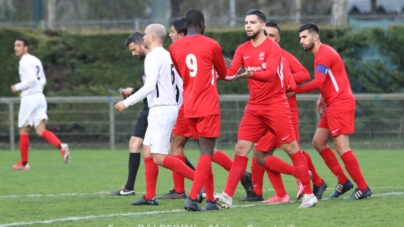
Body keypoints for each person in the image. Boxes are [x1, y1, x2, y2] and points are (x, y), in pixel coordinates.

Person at [214, 9, 317, 209]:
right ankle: (227, 195)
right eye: (246, 22)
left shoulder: (272, 48)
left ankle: (310, 195)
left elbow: (269, 74)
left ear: (262, 26)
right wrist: (215, 73)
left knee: (291, 148)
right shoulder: (242, 49)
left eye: (252, 22)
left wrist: (247, 73)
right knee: (241, 149)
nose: (248, 26)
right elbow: (231, 73)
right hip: (254, 106)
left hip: (275, 104)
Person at [159, 17, 253, 201]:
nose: (170, 34)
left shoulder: (177, 50)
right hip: (193, 103)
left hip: (190, 105)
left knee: (181, 147)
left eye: (172, 31)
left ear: (182, 33)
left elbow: (183, 80)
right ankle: (236, 176)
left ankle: (184, 191)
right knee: (205, 149)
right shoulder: (195, 48)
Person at [240, 21, 327, 203]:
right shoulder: (255, 54)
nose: (268, 38)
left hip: (282, 109)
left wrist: (285, 83)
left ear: (278, 39)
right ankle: (286, 191)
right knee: (262, 153)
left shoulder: (281, 54)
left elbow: (303, 74)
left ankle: (309, 181)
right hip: (267, 110)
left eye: (272, 36)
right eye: (266, 34)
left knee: (278, 151)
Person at [114, 24, 195, 206]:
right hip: (165, 108)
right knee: (147, 150)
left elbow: (150, 86)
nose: (142, 37)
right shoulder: (170, 55)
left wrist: (126, 102)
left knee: (159, 156)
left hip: (161, 109)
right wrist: (179, 107)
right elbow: (181, 86)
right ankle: (150, 196)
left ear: (151, 37)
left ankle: (200, 181)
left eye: (144, 34)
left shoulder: (152, 57)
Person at [293, 23, 371, 200]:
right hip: (332, 103)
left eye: (304, 37)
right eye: (300, 38)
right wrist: (323, 96)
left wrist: (294, 90)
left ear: (315, 36)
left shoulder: (324, 54)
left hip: (340, 103)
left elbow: (319, 81)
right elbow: (329, 79)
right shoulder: (321, 54)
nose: (301, 41)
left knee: (341, 146)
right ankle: (343, 181)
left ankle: (363, 187)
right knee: (318, 142)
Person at [170, 9, 229, 211]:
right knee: (206, 152)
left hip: (189, 106)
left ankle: (211, 200)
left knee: (206, 153)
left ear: (186, 26)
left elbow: (182, 73)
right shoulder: (211, 44)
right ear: (202, 24)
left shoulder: (174, 47)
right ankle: (193, 197)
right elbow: (223, 72)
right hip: (207, 105)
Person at [11, 37, 70, 170]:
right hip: (40, 96)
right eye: (15, 45)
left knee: (23, 129)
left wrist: (17, 86)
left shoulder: (24, 61)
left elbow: (31, 79)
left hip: (30, 97)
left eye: (19, 45)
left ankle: (24, 164)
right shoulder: (35, 60)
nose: (16, 48)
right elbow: (41, 80)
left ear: (26, 47)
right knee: (40, 130)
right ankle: (61, 146)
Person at [110, 32, 149, 196]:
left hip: (156, 109)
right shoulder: (148, 62)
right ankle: (129, 187)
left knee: (167, 152)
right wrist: (132, 91)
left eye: (134, 49)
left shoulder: (154, 60)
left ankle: (199, 182)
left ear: (142, 43)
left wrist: (129, 97)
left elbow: (153, 88)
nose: (133, 54)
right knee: (134, 143)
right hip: (148, 108)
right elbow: (150, 88)